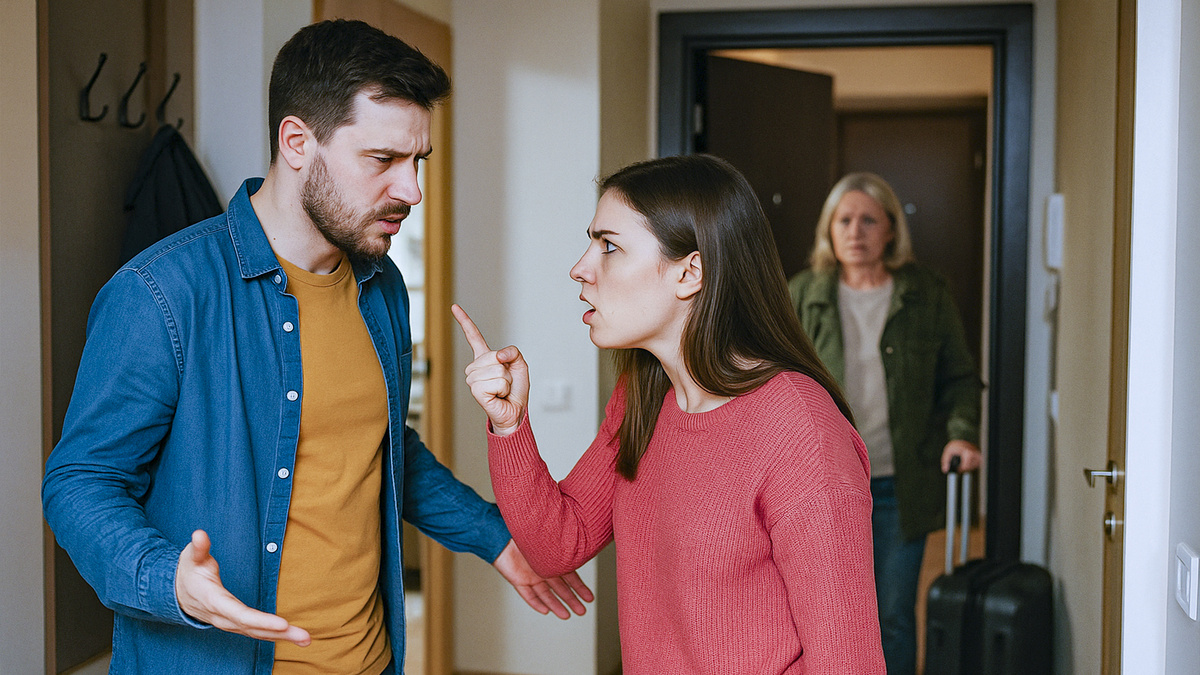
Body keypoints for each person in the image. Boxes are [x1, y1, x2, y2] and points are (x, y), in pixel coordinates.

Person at [42, 19, 591, 674]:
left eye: (418, 160)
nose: (412, 190)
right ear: (297, 142)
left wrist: (495, 535)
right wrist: (167, 580)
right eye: (383, 160)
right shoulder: (161, 292)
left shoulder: (381, 286)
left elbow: (381, 447)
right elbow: (80, 482)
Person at [452, 154, 885, 674]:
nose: (580, 268)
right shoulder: (643, 395)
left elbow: (848, 662)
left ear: (689, 272)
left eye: (609, 246)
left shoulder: (800, 429)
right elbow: (557, 544)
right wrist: (510, 425)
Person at [787, 172, 983, 674]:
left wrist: (962, 433)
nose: (856, 232)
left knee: (892, 615)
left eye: (869, 220)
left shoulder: (926, 293)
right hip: (823, 484)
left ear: (891, 229)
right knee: (828, 617)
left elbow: (960, 377)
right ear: (829, 230)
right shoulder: (802, 294)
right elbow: (774, 384)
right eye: (844, 220)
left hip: (900, 482)